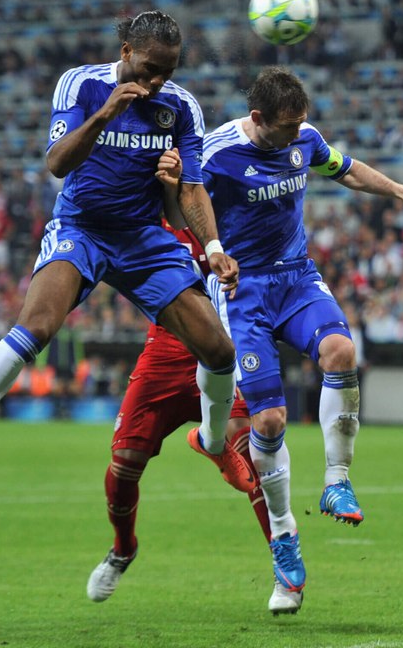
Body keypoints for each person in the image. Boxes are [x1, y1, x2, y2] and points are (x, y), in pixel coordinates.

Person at [0, 10, 253, 495]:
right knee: (36, 328)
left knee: (219, 351)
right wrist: (106, 113)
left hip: (142, 238)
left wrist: (212, 245)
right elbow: (57, 162)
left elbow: (188, 201)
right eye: (149, 68)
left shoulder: (181, 108)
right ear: (126, 53)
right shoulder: (81, 86)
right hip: (82, 228)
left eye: (168, 72)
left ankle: (214, 443)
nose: (156, 81)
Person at [202, 66, 403, 599]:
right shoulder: (217, 153)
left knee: (341, 350)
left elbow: (347, 169)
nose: (297, 137)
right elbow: (185, 199)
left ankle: (337, 481)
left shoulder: (305, 139)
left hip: (295, 277)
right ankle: (285, 537)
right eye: (286, 128)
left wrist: (401, 191)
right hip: (241, 289)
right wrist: (211, 251)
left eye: (301, 126)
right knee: (267, 418)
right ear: (257, 119)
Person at [83, 220, 298, 615]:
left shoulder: (227, 207)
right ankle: (123, 548)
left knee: (248, 446)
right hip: (166, 349)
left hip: (220, 341)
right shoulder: (153, 214)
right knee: (125, 462)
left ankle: (283, 566)